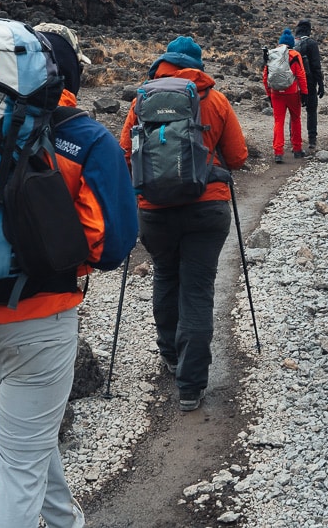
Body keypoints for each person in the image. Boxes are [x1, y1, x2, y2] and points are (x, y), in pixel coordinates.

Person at [0, 22, 139, 528]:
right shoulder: (86, 138)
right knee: (20, 470)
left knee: (29, 433)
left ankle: (67, 522)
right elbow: (113, 248)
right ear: (69, 72)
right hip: (39, 322)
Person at [119, 36, 248, 412]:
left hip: (154, 211)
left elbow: (125, 152)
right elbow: (238, 157)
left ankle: (171, 355)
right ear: (197, 66)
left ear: (163, 65)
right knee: (197, 287)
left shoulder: (140, 101)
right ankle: (190, 386)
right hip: (207, 211)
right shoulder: (215, 98)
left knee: (165, 276)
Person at [263, 28, 309, 162]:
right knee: (295, 119)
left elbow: (265, 77)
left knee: (278, 121)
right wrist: (305, 93)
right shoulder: (294, 55)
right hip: (292, 93)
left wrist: (269, 94)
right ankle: (297, 149)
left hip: (276, 93)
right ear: (291, 43)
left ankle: (278, 152)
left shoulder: (272, 55)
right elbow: (301, 75)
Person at [293, 19, 325, 149]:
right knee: (311, 110)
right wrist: (321, 84)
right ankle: (312, 140)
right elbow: (316, 66)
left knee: (295, 112)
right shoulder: (311, 43)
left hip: (293, 82)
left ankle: (294, 140)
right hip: (309, 82)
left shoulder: (292, 42)